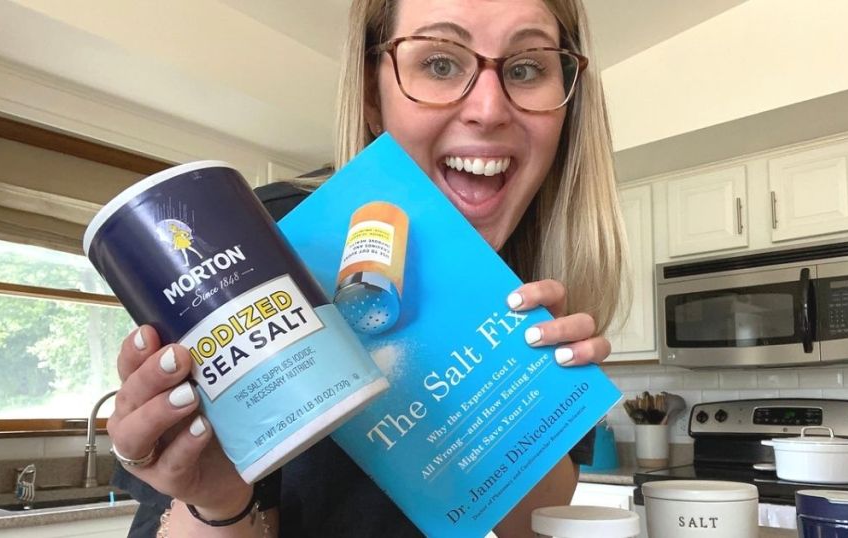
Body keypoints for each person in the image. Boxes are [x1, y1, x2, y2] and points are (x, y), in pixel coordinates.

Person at [107, 0, 627, 536]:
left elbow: (531, 526)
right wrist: (217, 502)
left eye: (525, 68)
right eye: (441, 64)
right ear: (370, 96)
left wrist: (529, 386)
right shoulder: (269, 240)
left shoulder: (542, 285)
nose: (490, 109)